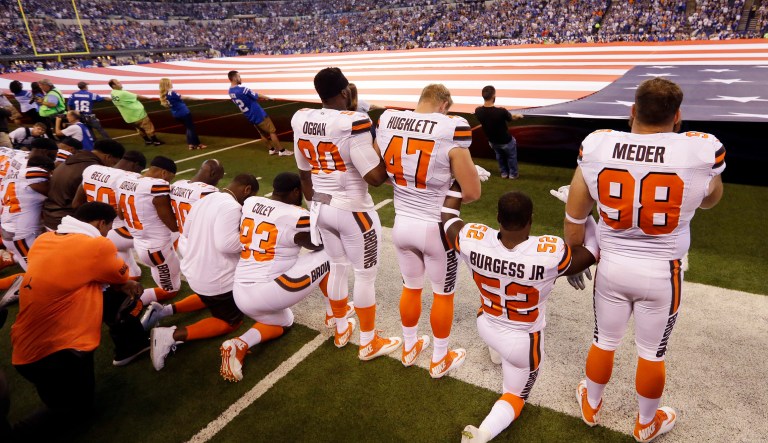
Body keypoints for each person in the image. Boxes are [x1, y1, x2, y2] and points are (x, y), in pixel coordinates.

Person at [564, 78, 725, 442]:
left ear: (632, 112)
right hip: (662, 273)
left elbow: (576, 214)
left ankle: (591, 404)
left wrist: (575, 254)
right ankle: (646, 423)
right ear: (678, 117)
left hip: (612, 266)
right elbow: (710, 199)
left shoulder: (598, 144)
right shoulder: (701, 150)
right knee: (652, 353)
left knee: (603, 340)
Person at [440, 189, 597, 443]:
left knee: (491, 315)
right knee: (515, 396)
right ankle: (482, 434)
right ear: (531, 219)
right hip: (522, 341)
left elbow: (447, 215)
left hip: (487, 322)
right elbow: (593, 251)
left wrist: (457, 185)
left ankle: (497, 350)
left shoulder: (471, 238)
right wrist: (584, 213)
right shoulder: (550, 252)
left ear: (498, 217)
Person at [292, 67, 401, 361]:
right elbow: (375, 177)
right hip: (352, 210)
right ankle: (368, 341)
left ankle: (341, 327)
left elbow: (303, 174)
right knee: (365, 276)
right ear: (343, 91)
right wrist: (387, 147)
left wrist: (318, 203)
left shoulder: (302, 119)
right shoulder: (353, 122)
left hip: (321, 206)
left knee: (338, 267)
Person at [376, 84, 481, 377]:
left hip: (401, 223)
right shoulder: (451, 128)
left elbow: (382, 171)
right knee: (442, 294)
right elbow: (472, 192)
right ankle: (439, 358)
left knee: (410, 287)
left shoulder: (388, 120)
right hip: (436, 227)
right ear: (444, 104)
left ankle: (409, 347)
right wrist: (457, 181)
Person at [10, 202, 136, 441]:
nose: (108, 233)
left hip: (25, 346)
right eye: (108, 228)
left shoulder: (44, 240)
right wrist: (124, 282)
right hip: (56, 351)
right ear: (101, 223)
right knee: (75, 410)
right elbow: (120, 274)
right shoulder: (96, 245)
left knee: (67, 402)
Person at [220, 172, 332, 382]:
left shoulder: (252, 202)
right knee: (331, 254)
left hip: (241, 292)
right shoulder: (295, 214)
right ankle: (335, 313)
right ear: (296, 191)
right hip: (269, 290)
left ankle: (239, 344)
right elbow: (317, 243)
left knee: (284, 320)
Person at [148, 174, 259, 372]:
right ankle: (170, 335)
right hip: (215, 277)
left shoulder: (205, 199)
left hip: (195, 270)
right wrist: (251, 238)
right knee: (230, 321)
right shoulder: (232, 207)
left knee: (208, 297)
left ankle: (164, 311)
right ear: (247, 190)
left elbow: (186, 232)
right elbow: (226, 245)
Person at [115, 156, 184, 306]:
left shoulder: (125, 180)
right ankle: (126, 303)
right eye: (170, 178)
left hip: (140, 243)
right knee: (171, 290)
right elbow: (173, 226)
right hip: (158, 249)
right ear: (164, 173)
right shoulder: (156, 186)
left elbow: (120, 214)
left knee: (159, 270)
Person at [73, 150, 148, 279]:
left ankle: (129, 274)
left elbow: (76, 204)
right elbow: (127, 212)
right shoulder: (129, 178)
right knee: (165, 233)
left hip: (95, 228)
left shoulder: (92, 170)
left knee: (133, 274)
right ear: (136, 165)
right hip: (117, 230)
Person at [42, 139, 125, 231]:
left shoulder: (72, 160)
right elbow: (76, 204)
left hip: (50, 217)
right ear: (108, 157)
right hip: (66, 221)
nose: (111, 167)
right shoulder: (92, 169)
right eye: (113, 163)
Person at [0, 155, 54, 270]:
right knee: (37, 272)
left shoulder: (9, 177)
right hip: (21, 235)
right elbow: (53, 190)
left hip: (13, 230)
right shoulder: (34, 173)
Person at [227, 70, 291, 156]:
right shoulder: (242, 89)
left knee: (262, 133)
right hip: (258, 114)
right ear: (234, 78)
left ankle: (271, 149)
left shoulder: (230, 92)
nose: (240, 78)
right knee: (272, 131)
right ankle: (282, 151)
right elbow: (257, 95)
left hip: (249, 115)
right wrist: (269, 98)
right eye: (239, 76)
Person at [474, 86, 523, 179]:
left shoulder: (478, 111)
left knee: (499, 156)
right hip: (506, 140)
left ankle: (504, 173)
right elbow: (511, 118)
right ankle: (513, 174)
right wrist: (519, 116)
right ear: (493, 96)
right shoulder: (501, 111)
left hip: (493, 141)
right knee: (511, 157)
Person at [108, 78, 163, 146]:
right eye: (118, 83)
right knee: (148, 128)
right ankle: (155, 141)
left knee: (139, 129)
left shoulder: (113, 93)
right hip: (138, 115)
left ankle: (147, 141)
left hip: (129, 117)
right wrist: (148, 98)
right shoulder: (123, 93)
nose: (120, 83)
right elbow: (137, 96)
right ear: (113, 86)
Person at [159, 78, 206, 150]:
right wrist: (198, 98)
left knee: (188, 128)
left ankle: (190, 144)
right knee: (191, 128)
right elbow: (185, 97)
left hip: (176, 114)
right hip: (184, 113)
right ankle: (197, 144)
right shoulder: (172, 93)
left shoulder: (163, 95)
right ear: (168, 84)